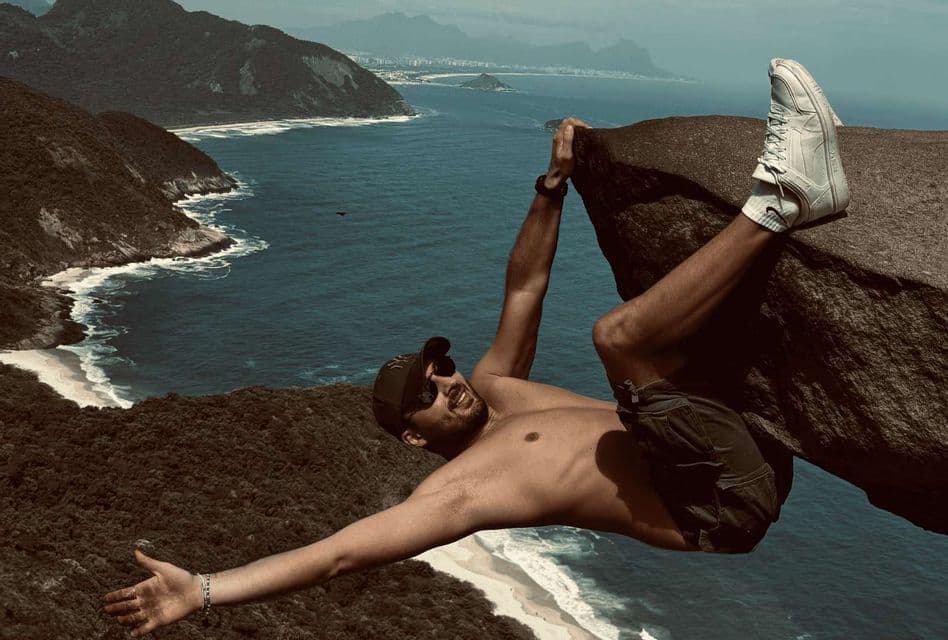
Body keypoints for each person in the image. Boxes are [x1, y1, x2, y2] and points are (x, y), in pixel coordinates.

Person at [103, 58, 849, 637]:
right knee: (618, 338)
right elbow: (337, 554)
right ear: (412, 435)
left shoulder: (497, 386)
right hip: (716, 503)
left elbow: (525, 287)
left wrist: (552, 186)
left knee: (677, 319)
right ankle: (788, 195)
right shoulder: (461, 493)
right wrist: (202, 589)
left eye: (442, 368)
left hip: (720, 446)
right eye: (428, 396)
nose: (449, 385)